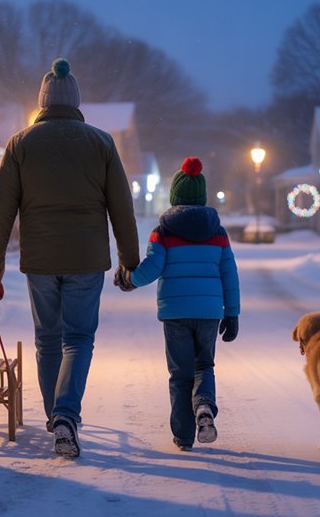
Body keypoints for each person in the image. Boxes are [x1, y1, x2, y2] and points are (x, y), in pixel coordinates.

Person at [0, 58, 140, 458]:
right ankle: (67, 416)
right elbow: (121, 205)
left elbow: (2, 207)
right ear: (75, 100)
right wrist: (129, 258)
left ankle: (57, 418)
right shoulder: (101, 143)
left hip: (41, 260)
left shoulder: (20, 144)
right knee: (79, 338)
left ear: (43, 101)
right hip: (87, 258)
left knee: (47, 340)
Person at [114, 157, 240, 451]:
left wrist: (130, 278)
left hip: (175, 313)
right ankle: (205, 406)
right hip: (209, 313)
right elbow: (229, 274)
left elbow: (153, 267)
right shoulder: (218, 233)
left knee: (180, 373)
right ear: (202, 195)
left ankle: (183, 436)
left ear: (175, 196)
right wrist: (232, 313)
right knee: (204, 365)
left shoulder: (164, 231)